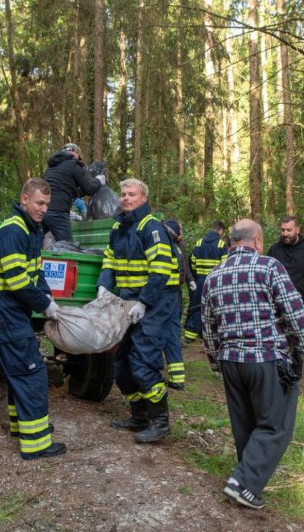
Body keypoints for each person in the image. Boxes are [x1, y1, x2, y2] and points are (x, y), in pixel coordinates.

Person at [201, 219, 304, 510]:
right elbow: (293, 308)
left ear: (231, 242)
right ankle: (244, 482)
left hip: (231, 361)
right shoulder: (269, 266)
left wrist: (216, 361)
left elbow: (207, 325)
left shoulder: (213, 275)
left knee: (245, 425)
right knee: (276, 425)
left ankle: (246, 485)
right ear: (257, 241)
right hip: (265, 358)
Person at [0, 178, 66, 460]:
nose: (43, 209)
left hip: (12, 310)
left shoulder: (32, 230)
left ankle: (23, 426)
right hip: (5, 310)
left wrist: (48, 298)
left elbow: (35, 273)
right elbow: (18, 282)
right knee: (32, 373)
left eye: (47, 204)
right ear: (25, 199)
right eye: (39, 203)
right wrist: (45, 305)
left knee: (20, 371)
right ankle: (36, 444)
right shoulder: (13, 232)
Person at [97, 178, 180, 443]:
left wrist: (144, 302)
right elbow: (109, 260)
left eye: (131, 194)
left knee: (143, 363)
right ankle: (139, 414)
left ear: (144, 198)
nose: (125, 198)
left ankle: (160, 421)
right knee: (121, 364)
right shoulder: (119, 227)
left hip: (153, 304)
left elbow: (161, 270)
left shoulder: (151, 227)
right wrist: (103, 287)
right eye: (123, 194)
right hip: (127, 303)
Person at [42, 143, 106, 241]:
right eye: (78, 157)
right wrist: (98, 180)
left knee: (40, 244)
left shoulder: (50, 168)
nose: (78, 159)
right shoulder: (73, 165)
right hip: (59, 213)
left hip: (42, 211)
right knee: (66, 247)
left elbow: (70, 192)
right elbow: (90, 188)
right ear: (74, 152)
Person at [183, 221, 228, 342]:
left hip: (200, 281)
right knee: (216, 308)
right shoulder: (221, 245)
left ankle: (189, 335)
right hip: (215, 282)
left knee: (196, 306)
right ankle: (212, 335)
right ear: (221, 231)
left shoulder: (199, 243)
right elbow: (225, 265)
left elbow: (192, 262)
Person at [161, 219, 190, 390]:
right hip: (174, 296)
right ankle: (177, 379)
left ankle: (157, 374)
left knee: (158, 334)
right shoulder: (177, 248)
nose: (182, 234)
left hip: (163, 296)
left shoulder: (168, 247)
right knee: (172, 336)